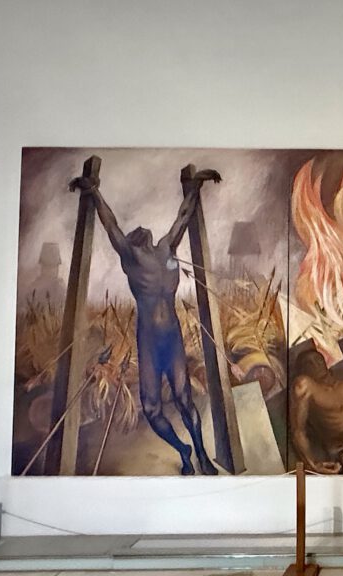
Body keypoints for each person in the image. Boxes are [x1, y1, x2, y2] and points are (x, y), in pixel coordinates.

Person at [75, 168, 221, 476]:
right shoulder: (130, 255)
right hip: (150, 342)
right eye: (135, 232)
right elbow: (110, 224)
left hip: (171, 337)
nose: (140, 229)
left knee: (184, 400)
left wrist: (196, 186)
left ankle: (201, 454)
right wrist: (94, 191)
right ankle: (183, 450)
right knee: (152, 409)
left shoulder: (166, 247)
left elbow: (183, 216)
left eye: (143, 229)